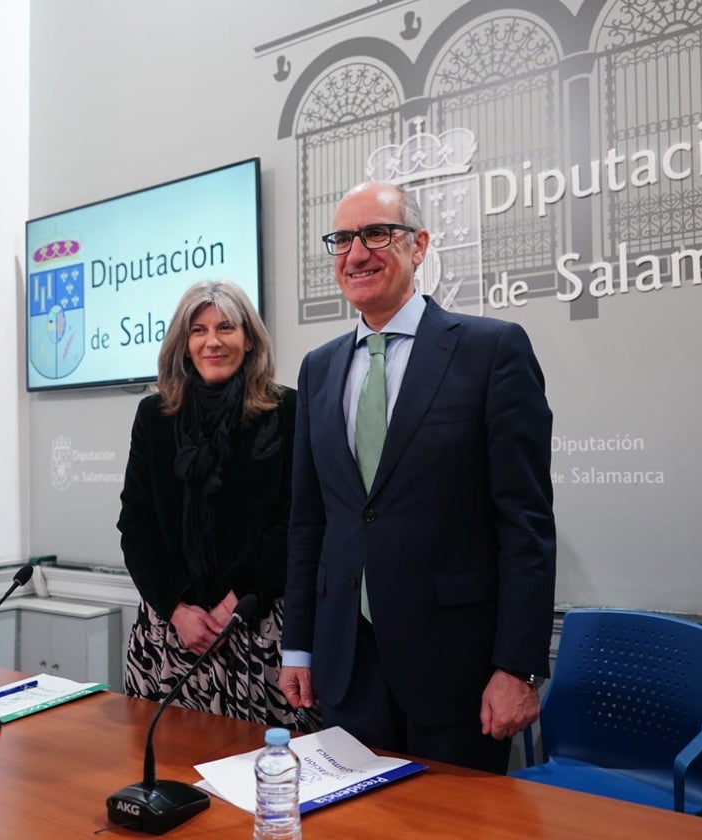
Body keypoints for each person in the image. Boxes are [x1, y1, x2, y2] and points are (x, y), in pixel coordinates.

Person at [279, 181, 556, 773]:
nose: (356, 253)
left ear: (420, 245)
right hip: (348, 667)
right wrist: (298, 645)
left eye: (376, 233)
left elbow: (525, 524)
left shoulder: (492, 351)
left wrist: (519, 669)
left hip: (459, 672)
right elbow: (309, 523)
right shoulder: (318, 369)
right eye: (342, 239)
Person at [118, 279, 303, 728]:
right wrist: (178, 609)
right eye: (198, 330)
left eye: (226, 327)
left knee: (265, 777)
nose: (212, 341)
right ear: (183, 344)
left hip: (259, 631)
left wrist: (233, 606)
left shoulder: (288, 410)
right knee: (165, 769)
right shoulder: (154, 417)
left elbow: (294, 522)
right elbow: (136, 526)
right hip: (171, 633)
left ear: (250, 339)